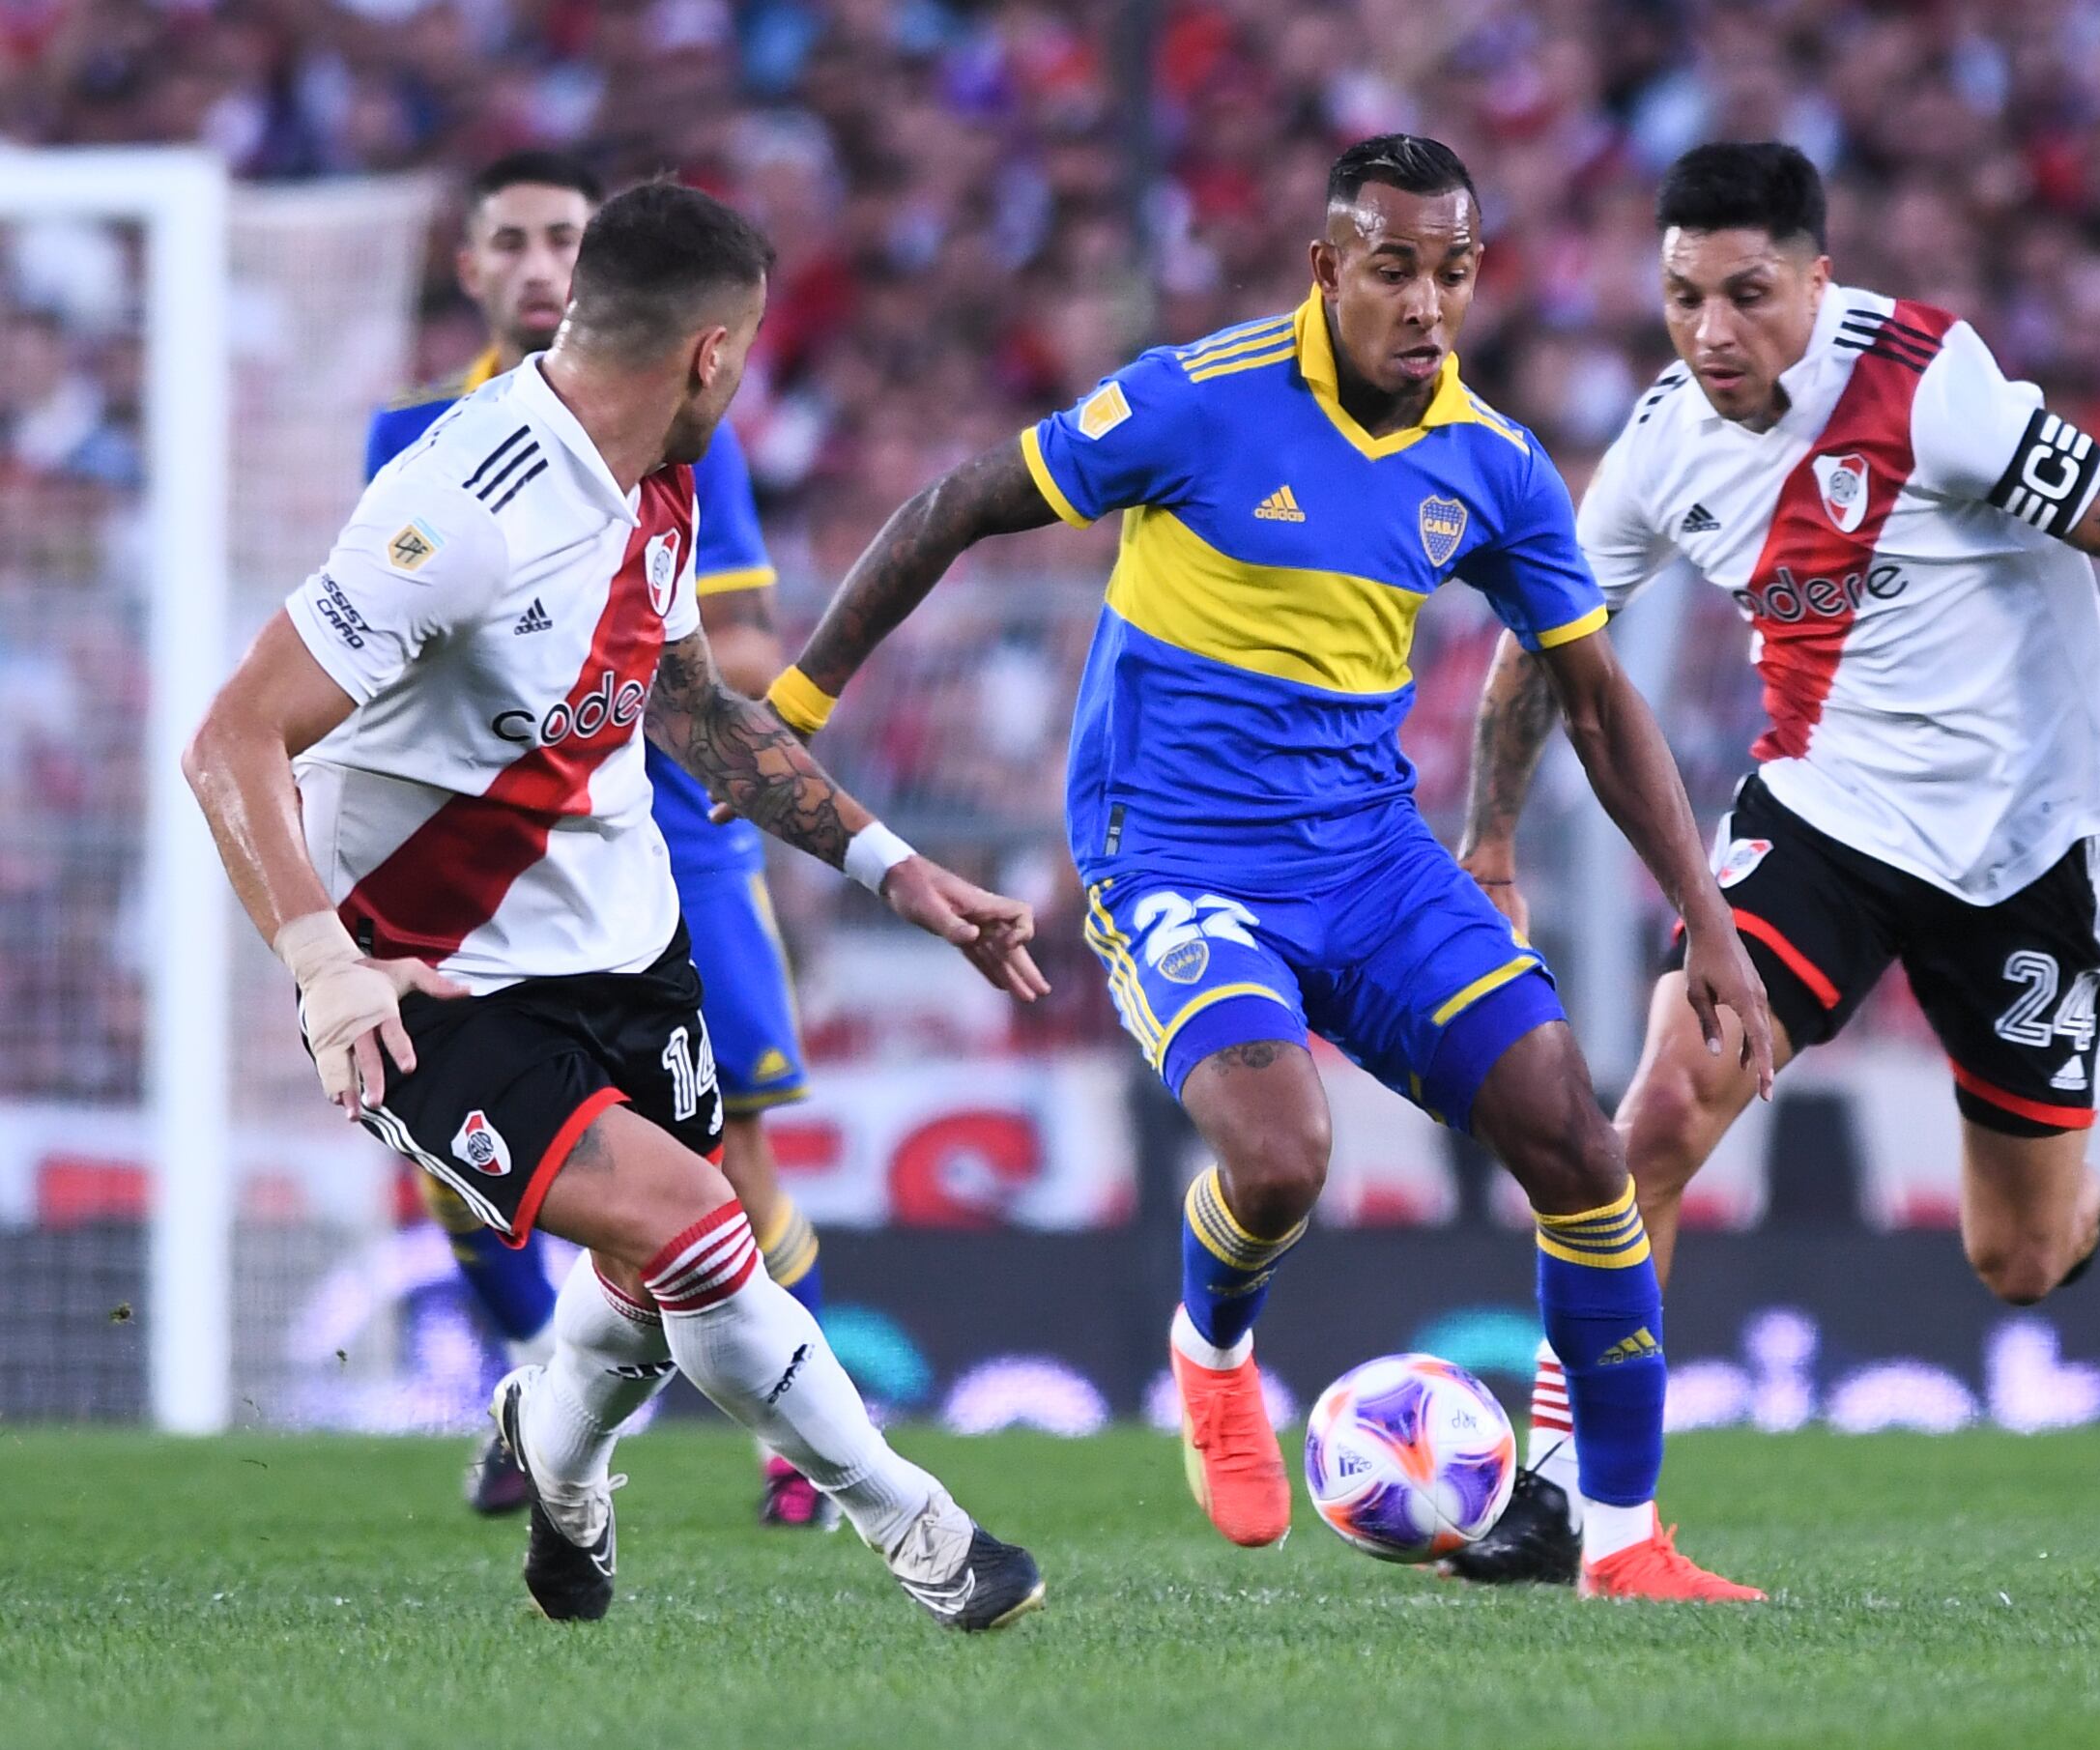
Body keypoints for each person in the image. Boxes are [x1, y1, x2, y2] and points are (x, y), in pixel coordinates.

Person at [763, 135, 1775, 1601]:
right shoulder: (1197, 398)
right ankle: (1215, 1344)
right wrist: (794, 709)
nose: (1428, 304)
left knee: (1578, 1144)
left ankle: (1621, 1542)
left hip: (1370, 856)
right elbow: (956, 505)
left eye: (1455, 271)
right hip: (1173, 854)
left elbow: (1598, 702)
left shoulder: (1493, 464)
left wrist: (1704, 917)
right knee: (1284, 1156)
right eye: (1394, 269)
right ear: (1326, 267)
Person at [184, 181, 1048, 1632]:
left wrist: (893, 867)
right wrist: (323, 966)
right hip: (429, 980)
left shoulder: (657, 475)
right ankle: (925, 1531)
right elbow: (231, 737)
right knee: (701, 1226)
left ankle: (555, 1453)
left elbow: (693, 709)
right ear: (712, 353)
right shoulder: (460, 506)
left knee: (653, 1279)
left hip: (626, 942)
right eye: (748, 353)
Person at [1449, 142, 2100, 1582]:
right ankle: (1572, 1490)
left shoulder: (1931, 385)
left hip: (2022, 850)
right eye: (1684, 297)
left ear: (1817, 281)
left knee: (2020, 1260)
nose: (1712, 332)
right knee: (1652, 1123)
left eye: (1748, 294)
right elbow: (1545, 647)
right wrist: (1491, 840)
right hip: (1825, 819)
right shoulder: (1661, 444)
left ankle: (2071, 1197)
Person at [364, 151, 834, 1529]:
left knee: (729, 1152)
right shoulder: (416, 439)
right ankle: (534, 1393)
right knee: (463, 1150)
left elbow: (739, 645)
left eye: (561, 238)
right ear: (469, 267)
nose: (535, 265)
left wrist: (606, 662)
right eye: (507, 240)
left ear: (599, 267)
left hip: (671, 834)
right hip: (489, 856)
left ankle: (795, 1452)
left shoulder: (688, 424)